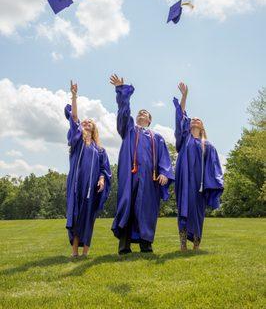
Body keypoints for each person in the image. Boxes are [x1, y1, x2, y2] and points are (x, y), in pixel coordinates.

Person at [110, 74, 174, 254]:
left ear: (149, 120)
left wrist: (164, 173)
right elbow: (123, 112)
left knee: (146, 210)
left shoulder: (157, 137)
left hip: (149, 179)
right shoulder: (128, 130)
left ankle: (146, 245)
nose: (141, 114)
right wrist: (122, 90)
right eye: (139, 112)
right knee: (127, 207)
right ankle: (124, 246)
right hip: (129, 177)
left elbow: (164, 158)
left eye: (144, 113)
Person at [174, 82, 224, 251]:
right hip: (184, 181)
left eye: (198, 119)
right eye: (192, 119)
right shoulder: (184, 138)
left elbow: (214, 166)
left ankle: (196, 244)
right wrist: (184, 96)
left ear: (202, 126)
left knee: (197, 213)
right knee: (183, 210)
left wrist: (215, 182)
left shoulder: (207, 145)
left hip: (199, 184)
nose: (194, 120)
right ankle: (182, 244)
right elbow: (180, 116)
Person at [65, 81, 111, 257]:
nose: (86, 123)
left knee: (88, 217)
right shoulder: (77, 142)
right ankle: (75, 251)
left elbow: (104, 169)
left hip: (91, 187)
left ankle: (85, 252)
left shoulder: (100, 150)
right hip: (77, 183)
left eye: (90, 122)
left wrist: (101, 179)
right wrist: (74, 97)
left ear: (94, 128)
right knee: (76, 216)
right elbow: (74, 118)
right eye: (85, 122)